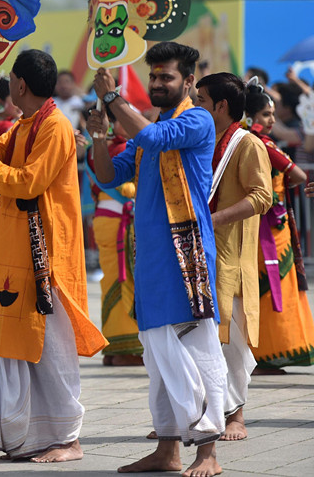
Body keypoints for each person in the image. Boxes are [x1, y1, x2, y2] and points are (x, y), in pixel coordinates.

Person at [89, 41, 227, 476]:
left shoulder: (197, 120)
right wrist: (97, 137)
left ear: (188, 81)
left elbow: (151, 136)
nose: (157, 84)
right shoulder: (150, 127)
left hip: (184, 257)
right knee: (158, 356)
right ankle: (168, 451)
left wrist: (113, 98)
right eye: (153, 77)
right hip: (150, 256)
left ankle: (208, 454)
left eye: (166, 77)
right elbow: (111, 174)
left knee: (196, 350)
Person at [0, 49, 107, 462]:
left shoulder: (55, 127)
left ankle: (69, 439)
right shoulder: (29, 123)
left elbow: (26, 182)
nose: (8, 84)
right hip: (16, 247)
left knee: (54, 347)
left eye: (10, 78)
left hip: (47, 255)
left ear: (20, 84)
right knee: (22, 342)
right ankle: (33, 436)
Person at [196, 72, 273, 441]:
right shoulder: (205, 140)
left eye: (201, 101)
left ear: (221, 106)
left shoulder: (247, 144)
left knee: (233, 340)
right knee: (201, 336)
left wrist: (216, 219)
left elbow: (262, 196)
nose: (196, 107)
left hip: (231, 255)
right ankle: (201, 412)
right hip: (203, 252)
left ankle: (236, 415)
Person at [244, 81, 314, 374]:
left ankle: (263, 354)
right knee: (271, 289)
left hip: (261, 225)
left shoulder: (239, 141)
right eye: (264, 115)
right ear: (248, 118)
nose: (271, 121)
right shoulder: (261, 143)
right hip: (269, 228)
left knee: (269, 289)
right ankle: (267, 354)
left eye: (272, 114)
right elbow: (297, 174)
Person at [85, 107, 142, 366]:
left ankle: (114, 348)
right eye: (124, 118)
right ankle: (126, 349)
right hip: (121, 221)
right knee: (125, 280)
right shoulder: (121, 149)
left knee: (113, 280)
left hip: (105, 219)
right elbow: (127, 187)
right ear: (111, 123)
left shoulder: (94, 149)